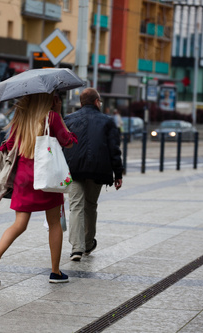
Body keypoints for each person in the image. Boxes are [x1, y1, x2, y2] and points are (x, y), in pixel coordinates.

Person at [0, 92, 77, 285]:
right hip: (46, 177)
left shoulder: (21, 117)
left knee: (19, 224)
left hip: (24, 178)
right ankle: (55, 272)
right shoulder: (51, 117)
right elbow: (67, 141)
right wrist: (58, 113)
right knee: (54, 224)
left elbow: (8, 145)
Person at [63, 88, 123, 261]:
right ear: (97, 102)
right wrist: (118, 173)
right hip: (98, 169)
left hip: (73, 169)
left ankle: (76, 248)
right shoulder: (107, 121)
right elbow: (114, 150)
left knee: (76, 206)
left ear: (81, 103)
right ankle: (88, 243)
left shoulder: (69, 119)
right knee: (90, 205)